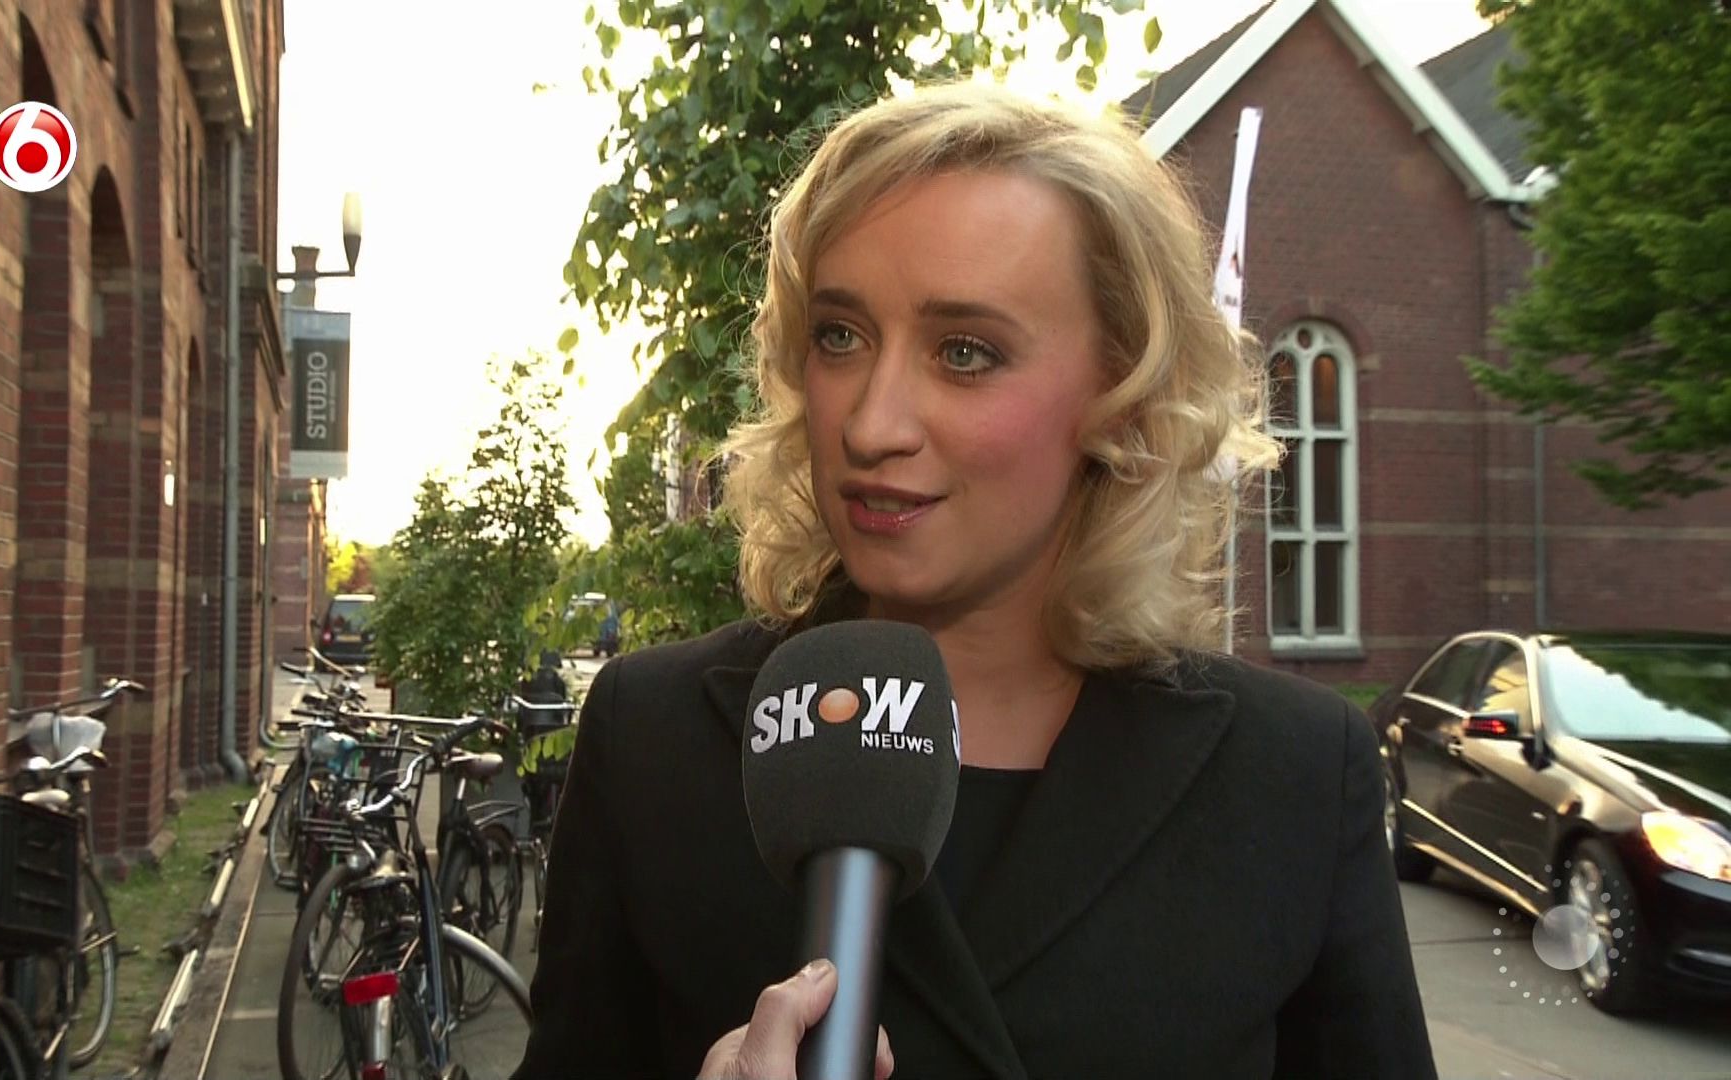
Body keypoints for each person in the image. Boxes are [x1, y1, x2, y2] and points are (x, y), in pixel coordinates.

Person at [513, 80, 1436, 1079]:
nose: (871, 424)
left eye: (965, 352)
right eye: (839, 335)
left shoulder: (1295, 777)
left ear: (1122, 397)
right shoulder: (653, 740)